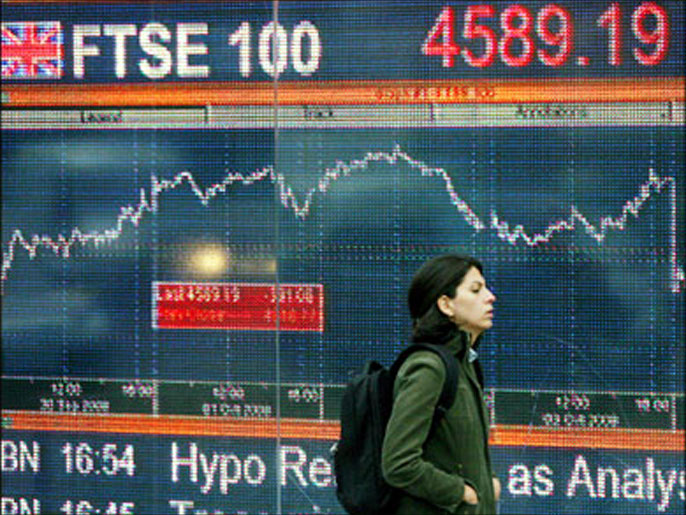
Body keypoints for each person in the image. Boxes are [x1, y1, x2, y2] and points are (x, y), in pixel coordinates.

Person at [382, 254, 501, 514]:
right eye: (475, 290)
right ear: (446, 305)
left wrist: (486, 484)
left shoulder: (465, 366)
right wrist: (461, 493)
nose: (490, 297)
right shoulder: (429, 368)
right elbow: (399, 463)